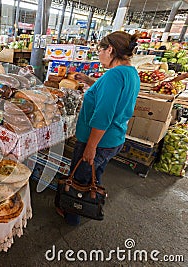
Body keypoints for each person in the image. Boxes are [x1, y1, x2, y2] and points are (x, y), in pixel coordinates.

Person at [55, 31, 141, 226]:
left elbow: (103, 115)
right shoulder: (130, 72)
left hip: (99, 141)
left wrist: (91, 146)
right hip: (114, 139)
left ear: (110, 49)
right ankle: (91, 201)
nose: (98, 55)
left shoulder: (114, 75)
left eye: (100, 50)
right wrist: (88, 81)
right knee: (94, 174)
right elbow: (111, 95)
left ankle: (73, 213)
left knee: (79, 178)